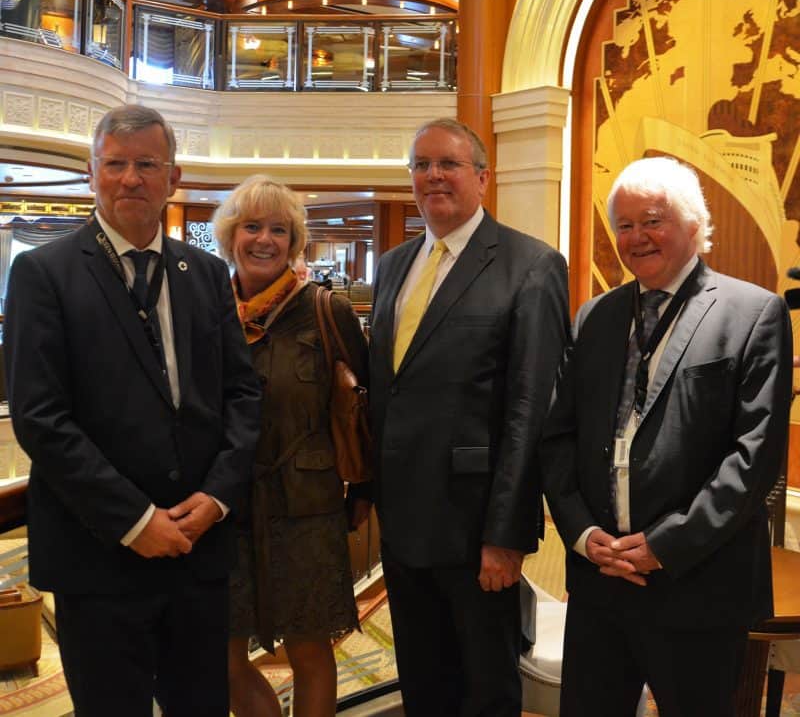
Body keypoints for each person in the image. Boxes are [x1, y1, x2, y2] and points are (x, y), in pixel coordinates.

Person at [3, 105, 261, 716]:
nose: (130, 179)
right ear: (93, 173)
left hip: (199, 549)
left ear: (173, 178)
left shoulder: (203, 273)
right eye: (115, 164)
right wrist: (135, 520)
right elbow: (41, 418)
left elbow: (243, 395)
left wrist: (218, 497)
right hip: (99, 555)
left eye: (147, 164)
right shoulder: (43, 273)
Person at [542, 156, 793, 717]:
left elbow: (752, 462)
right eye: (625, 225)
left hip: (698, 587)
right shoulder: (594, 318)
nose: (636, 237)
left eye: (652, 220)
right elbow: (557, 440)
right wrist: (583, 534)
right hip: (601, 583)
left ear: (693, 223)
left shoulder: (753, 313)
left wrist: (664, 546)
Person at [368, 118, 570, 715]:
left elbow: (530, 410)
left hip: (475, 527)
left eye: (448, 164)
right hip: (402, 524)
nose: (433, 175)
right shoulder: (393, 265)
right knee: (424, 684)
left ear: (483, 177)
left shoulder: (530, 266)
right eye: (421, 165)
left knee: (485, 688)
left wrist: (505, 536)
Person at [212, 174, 371, 717]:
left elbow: (363, 412)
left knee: (310, 650)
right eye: (252, 226)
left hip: (307, 508)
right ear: (230, 234)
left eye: (279, 230)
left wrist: (364, 492)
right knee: (222, 654)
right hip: (223, 510)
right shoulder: (206, 313)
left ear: (294, 242)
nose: (265, 240)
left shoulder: (328, 312)